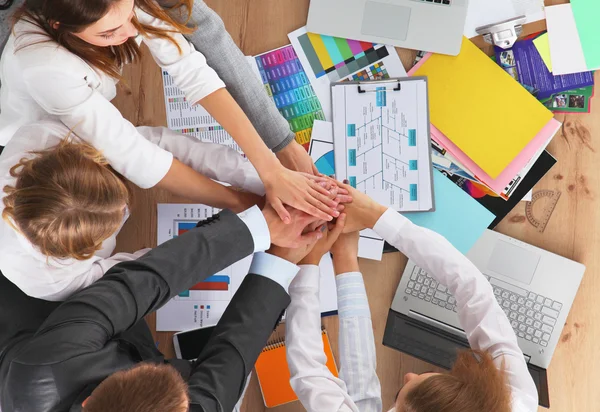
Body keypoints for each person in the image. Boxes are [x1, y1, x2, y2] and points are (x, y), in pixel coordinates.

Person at [0, 0, 338, 222]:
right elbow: (134, 154)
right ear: (60, 26)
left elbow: (192, 72)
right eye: (109, 32)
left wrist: (273, 166)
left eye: (130, 14)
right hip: (46, 142)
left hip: (92, 99)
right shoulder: (43, 67)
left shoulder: (116, 7)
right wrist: (241, 203)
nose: (131, 32)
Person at [0, 201, 329, 412]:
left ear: (89, 403)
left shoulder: (43, 371)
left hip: (32, 299)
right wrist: (279, 261)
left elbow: (136, 286)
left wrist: (257, 229)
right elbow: (219, 384)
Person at [284, 181, 539, 412]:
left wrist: (309, 262)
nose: (408, 376)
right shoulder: (513, 400)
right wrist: (370, 224)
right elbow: (473, 289)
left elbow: (309, 372)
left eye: (398, 399)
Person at [0, 120, 272, 301]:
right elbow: (138, 271)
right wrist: (229, 234)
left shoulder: (43, 137)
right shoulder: (45, 279)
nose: (126, 208)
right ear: (80, 249)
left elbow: (151, 144)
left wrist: (255, 179)